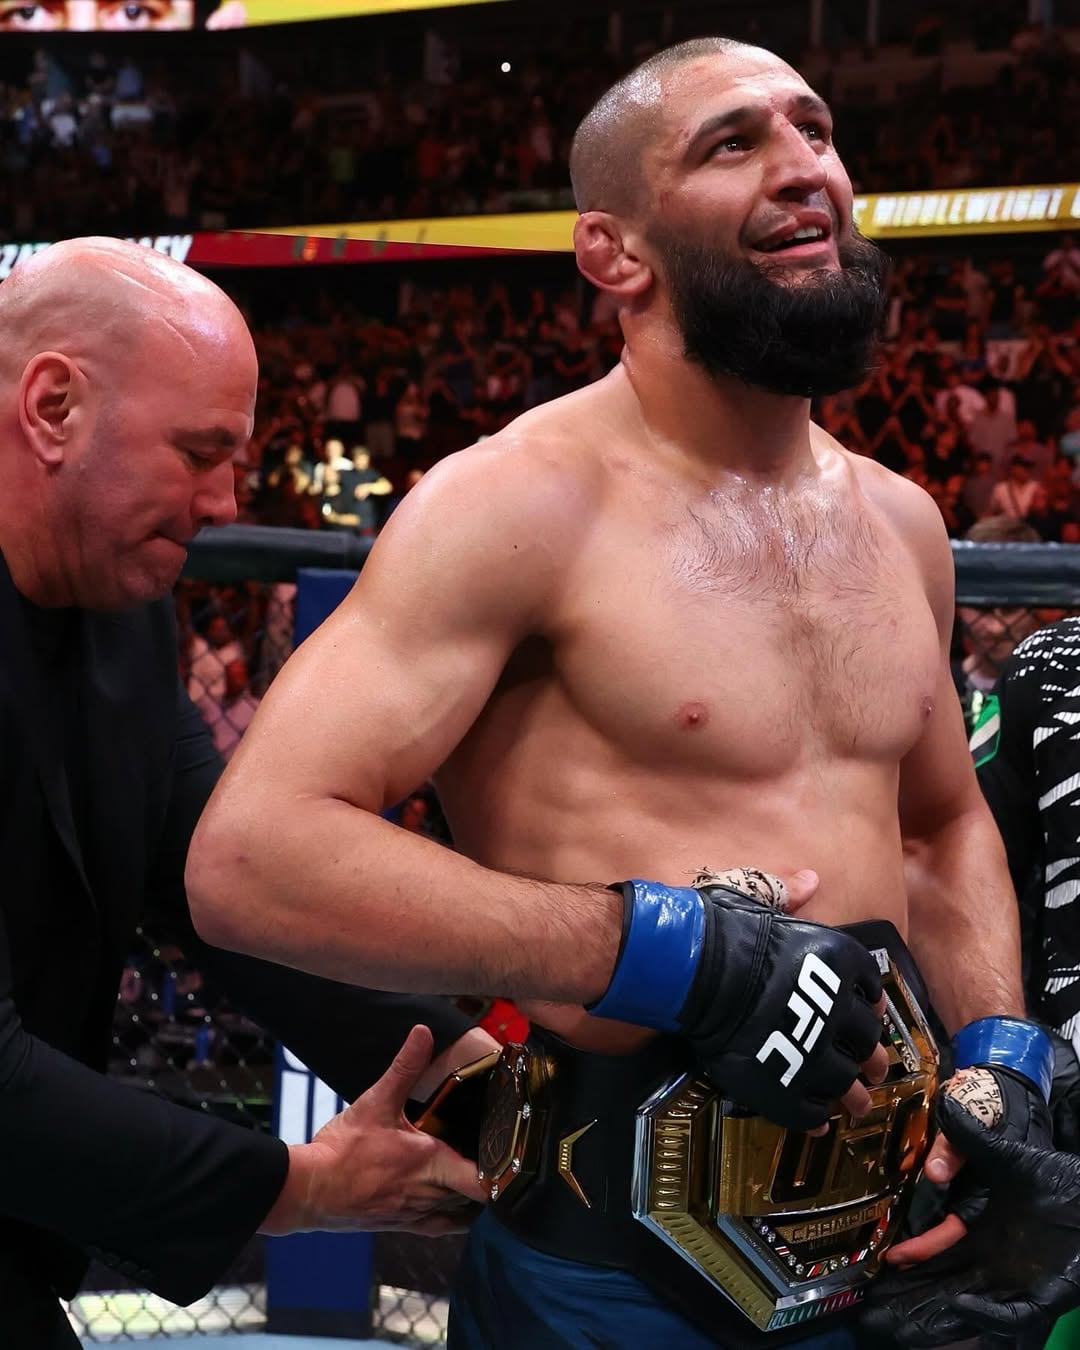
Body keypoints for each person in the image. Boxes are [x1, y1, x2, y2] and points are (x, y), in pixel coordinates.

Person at [187, 38, 1064, 1350]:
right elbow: (253, 856)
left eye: (815, 129)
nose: (804, 165)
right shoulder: (516, 505)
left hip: (883, 1254)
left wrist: (1001, 1056)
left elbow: (940, 828)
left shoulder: (902, 522)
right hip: (609, 1270)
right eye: (734, 142)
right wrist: (663, 949)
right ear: (614, 253)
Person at [0, 236, 490, 1349]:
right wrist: (303, 1185)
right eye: (198, 452)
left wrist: (475, 1078)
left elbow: (235, 890)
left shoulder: (119, 606)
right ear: (53, 406)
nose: (226, 501)